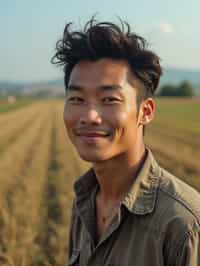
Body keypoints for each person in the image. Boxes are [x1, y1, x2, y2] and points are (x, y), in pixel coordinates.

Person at [51, 17, 200, 266]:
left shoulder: (183, 224)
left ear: (146, 111)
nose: (89, 116)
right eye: (77, 99)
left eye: (109, 100)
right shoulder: (84, 204)